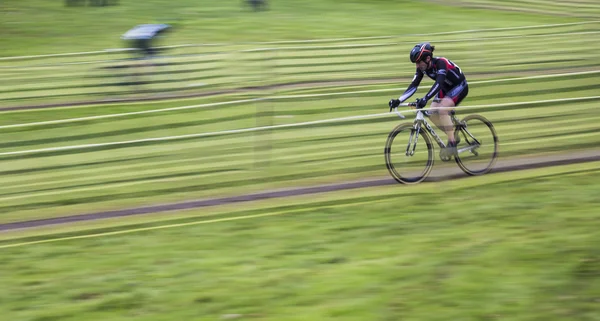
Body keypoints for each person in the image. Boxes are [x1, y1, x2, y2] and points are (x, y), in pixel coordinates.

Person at [389, 42, 469, 155]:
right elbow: (414, 85)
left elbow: (439, 83)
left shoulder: (441, 63)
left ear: (427, 58)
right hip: (446, 89)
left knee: (442, 110)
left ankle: (452, 144)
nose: (417, 66)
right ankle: (453, 136)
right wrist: (399, 100)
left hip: (459, 86)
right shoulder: (422, 68)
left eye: (418, 62)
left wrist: (425, 98)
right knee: (431, 113)